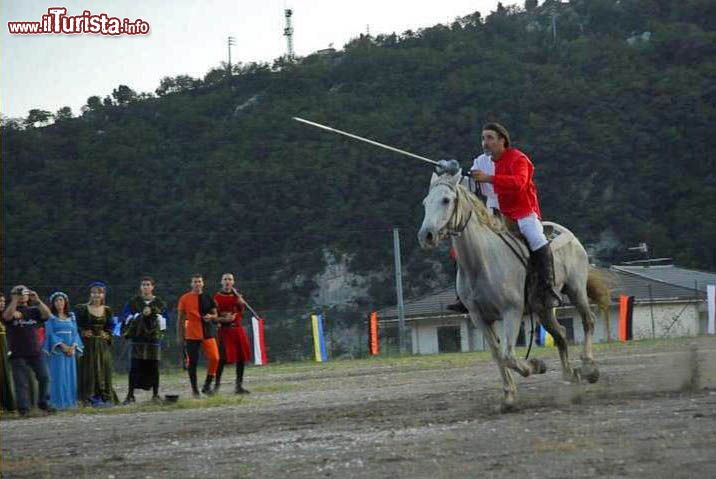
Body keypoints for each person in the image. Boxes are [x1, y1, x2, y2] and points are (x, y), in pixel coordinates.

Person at [470, 122, 561, 307]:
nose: (485, 142)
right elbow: (471, 184)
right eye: (483, 138)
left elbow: (519, 183)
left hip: (523, 211)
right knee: (469, 242)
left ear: (502, 140)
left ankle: (547, 289)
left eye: (489, 138)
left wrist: (488, 178)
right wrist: (453, 173)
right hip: (493, 212)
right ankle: (465, 294)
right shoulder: (480, 161)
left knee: (537, 239)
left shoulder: (519, 159)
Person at [1, 285, 53, 416]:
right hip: (17, 353)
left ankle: (43, 403)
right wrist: (14, 300)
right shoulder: (10, 310)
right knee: (21, 382)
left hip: (35, 351)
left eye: (24, 292)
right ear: (13, 295)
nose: (22, 295)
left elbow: (48, 315)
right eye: (18, 292)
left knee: (44, 377)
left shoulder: (34, 310)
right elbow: (7, 317)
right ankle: (23, 409)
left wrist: (38, 301)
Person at [122, 277, 166, 404]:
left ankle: (155, 395)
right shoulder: (133, 302)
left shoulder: (159, 302)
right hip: (138, 340)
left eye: (148, 285)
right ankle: (130, 395)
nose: (145, 287)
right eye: (143, 285)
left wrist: (153, 314)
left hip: (153, 341)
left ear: (152, 287)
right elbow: (125, 316)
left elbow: (164, 318)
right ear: (140, 287)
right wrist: (138, 315)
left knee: (154, 368)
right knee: (134, 368)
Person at [75, 282, 119, 406]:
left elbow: (110, 326)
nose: (96, 295)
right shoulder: (82, 308)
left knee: (103, 368)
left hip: (101, 345)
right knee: (88, 369)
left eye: (99, 292)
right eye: (94, 292)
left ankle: (104, 396)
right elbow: (76, 326)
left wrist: (108, 334)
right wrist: (83, 332)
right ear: (90, 294)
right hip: (87, 344)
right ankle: (88, 397)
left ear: (103, 294)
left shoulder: (107, 310)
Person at [177, 274, 219, 397]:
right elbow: (180, 318)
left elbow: (215, 314)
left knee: (215, 358)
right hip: (191, 333)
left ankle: (207, 385)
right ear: (191, 284)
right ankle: (195, 390)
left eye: (199, 281)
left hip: (207, 331)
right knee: (192, 362)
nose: (197, 284)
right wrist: (180, 335)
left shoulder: (207, 297)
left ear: (203, 283)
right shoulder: (184, 298)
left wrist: (210, 317)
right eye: (195, 282)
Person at [42, 292, 83, 410]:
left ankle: (70, 402)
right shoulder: (51, 318)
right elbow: (50, 334)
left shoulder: (72, 317)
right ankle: (57, 403)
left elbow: (75, 333)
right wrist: (63, 346)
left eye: (61, 300)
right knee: (58, 377)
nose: (59, 302)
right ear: (53, 304)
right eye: (56, 301)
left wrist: (73, 347)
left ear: (65, 302)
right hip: (57, 351)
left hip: (71, 352)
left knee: (70, 376)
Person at [213, 273, 252, 394]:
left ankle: (238, 386)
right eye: (225, 279)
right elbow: (214, 317)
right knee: (222, 359)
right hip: (225, 331)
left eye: (229, 279)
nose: (227, 281)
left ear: (233, 282)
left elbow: (241, 312)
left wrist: (241, 302)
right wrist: (223, 318)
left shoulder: (237, 297)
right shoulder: (216, 297)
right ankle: (216, 386)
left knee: (241, 358)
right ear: (221, 282)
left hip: (238, 330)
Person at [0, 293, 16, 412]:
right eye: (0, 301)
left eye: (3, 302)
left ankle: (8, 405)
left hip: (5, 350)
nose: (2, 304)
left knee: (6, 376)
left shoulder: (6, 317)